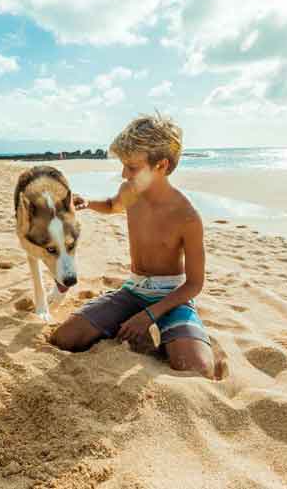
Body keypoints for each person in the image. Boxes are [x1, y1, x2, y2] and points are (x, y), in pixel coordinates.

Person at [49, 112, 215, 379]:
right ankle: (126, 323)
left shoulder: (187, 217)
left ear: (161, 166)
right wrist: (88, 203)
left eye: (132, 167)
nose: (124, 173)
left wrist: (149, 315)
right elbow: (113, 205)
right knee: (65, 339)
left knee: (198, 369)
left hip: (171, 297)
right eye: (123, 165)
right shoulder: (130, 192)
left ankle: (169, 330)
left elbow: (194, 284)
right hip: (133, 290)